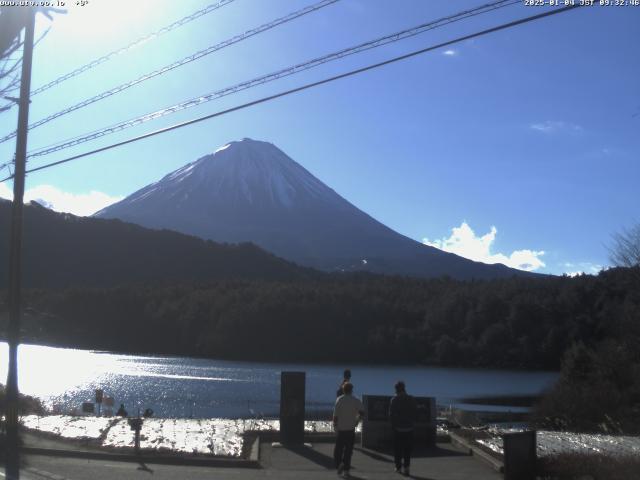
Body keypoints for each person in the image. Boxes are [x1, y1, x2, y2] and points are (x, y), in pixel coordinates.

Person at [333, 382, 364, 478]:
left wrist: (335, 426)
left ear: (343, 390)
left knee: (337, 451)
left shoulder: (339, 400)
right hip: (350, 429)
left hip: (341, 429)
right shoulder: (356, 400)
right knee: (348, 451)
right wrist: (357, 421)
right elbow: (362, 412)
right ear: (351, 390)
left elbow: (335, 416)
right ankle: (346, 470)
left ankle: (339, 464)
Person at [389, 381, 417, 476]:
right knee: (407, 450)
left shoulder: (394, 400)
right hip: (409, 428)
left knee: (397, 449)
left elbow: (391, 415)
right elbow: (415, 413)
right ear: (404, 388)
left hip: (398, 428)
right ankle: (407, 468)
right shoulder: (411, 399)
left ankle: (398, 467)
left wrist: (393, 426)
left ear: (396, 389)